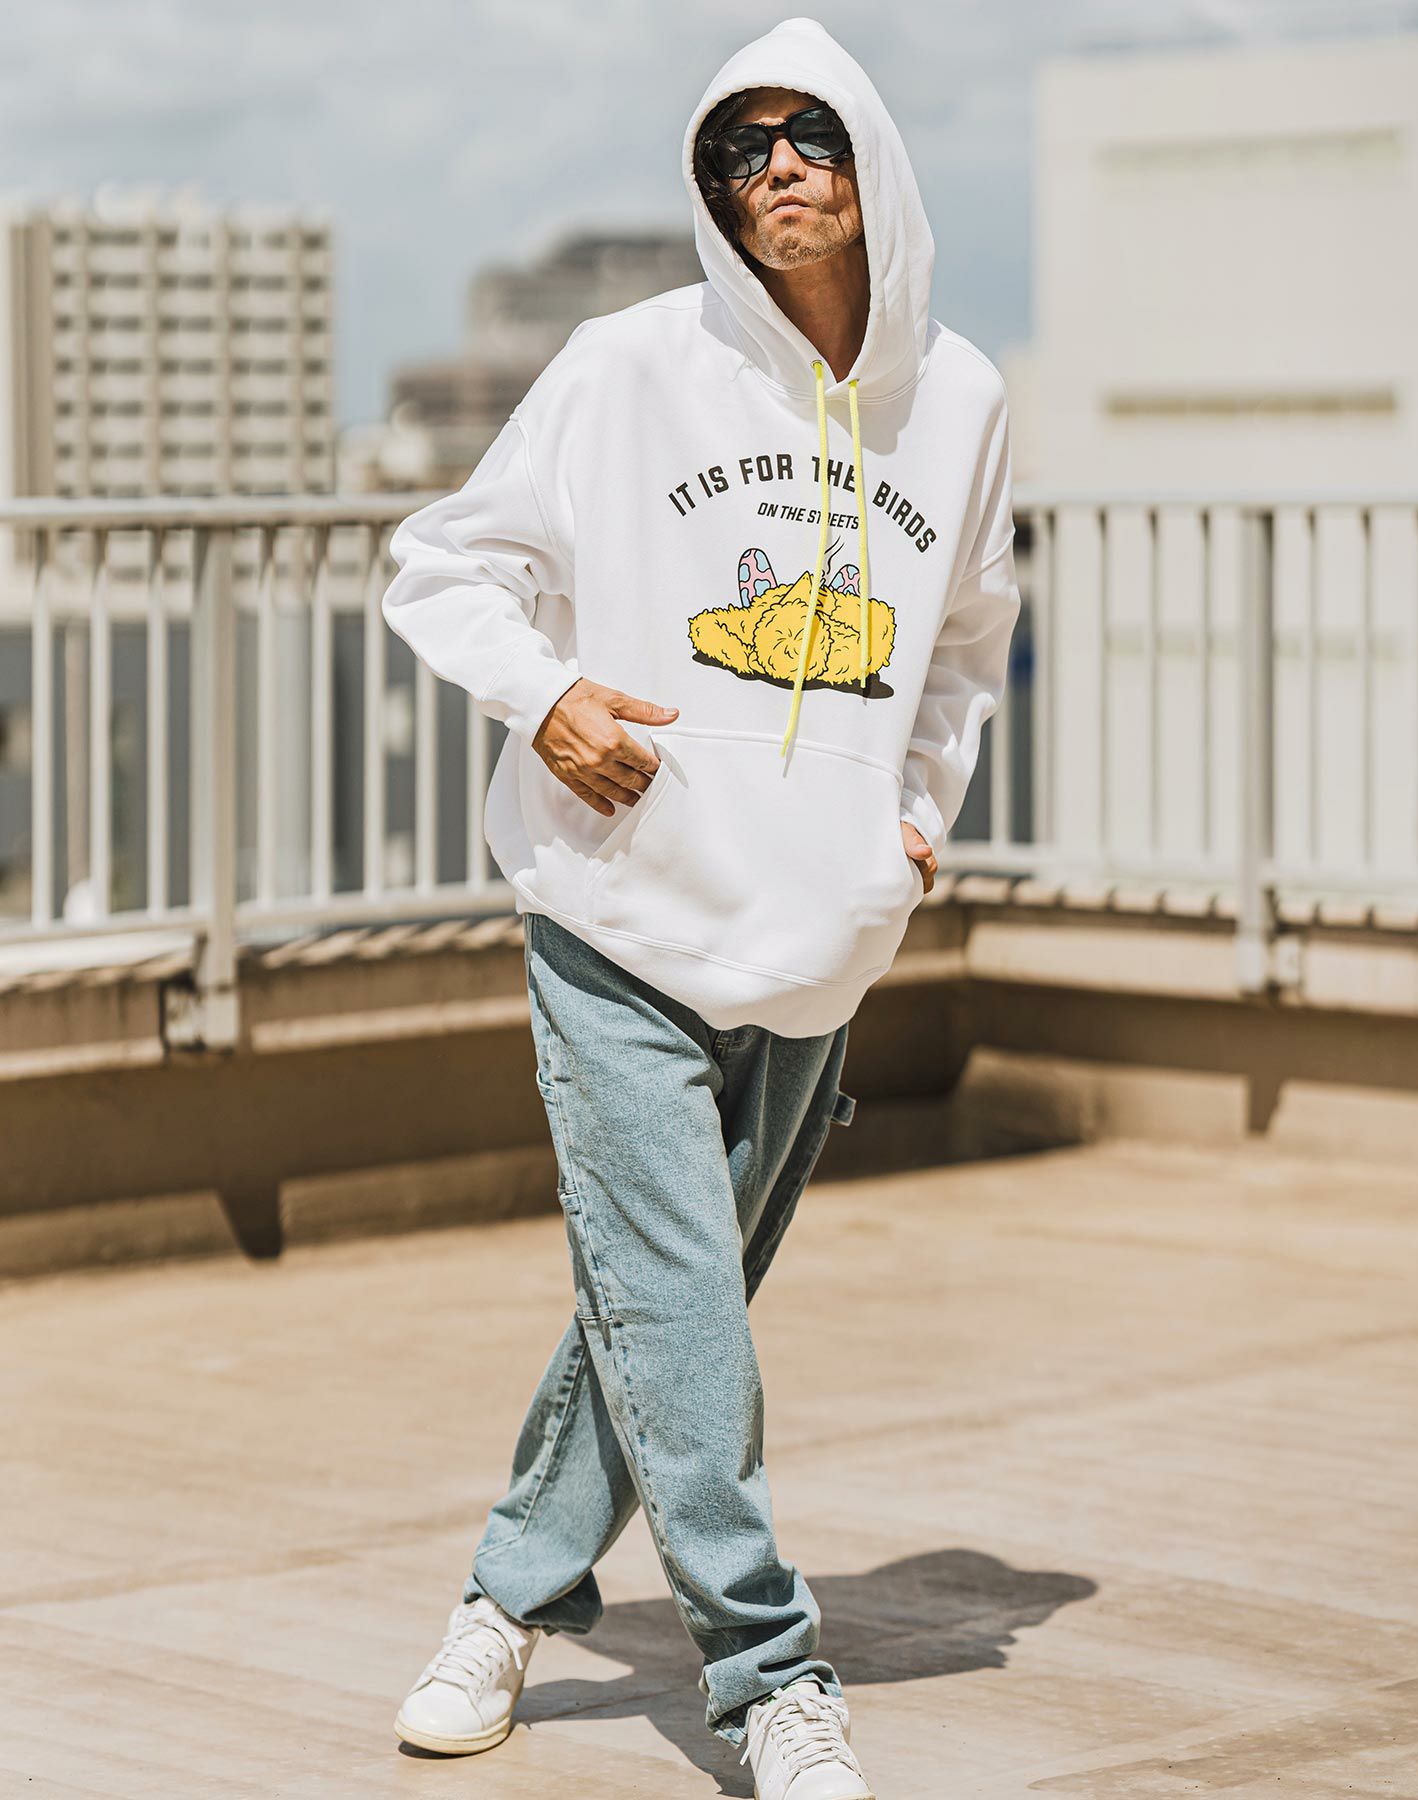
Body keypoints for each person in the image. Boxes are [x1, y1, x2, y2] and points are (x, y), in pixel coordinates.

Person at [379, 16, 1020, 1797]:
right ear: (711, 189)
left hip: (819, 940)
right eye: (739, 149)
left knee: (663, 1311)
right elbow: (441, 564)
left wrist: (914, 815)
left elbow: (968, 644)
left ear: (873, 155)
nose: (777, 169)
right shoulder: (627, 366)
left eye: (810, 134)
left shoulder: (962, 401)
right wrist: (544, 699)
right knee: (679, 1304)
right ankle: (769, 1673)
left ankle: (505, 1598)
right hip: (615, 910)